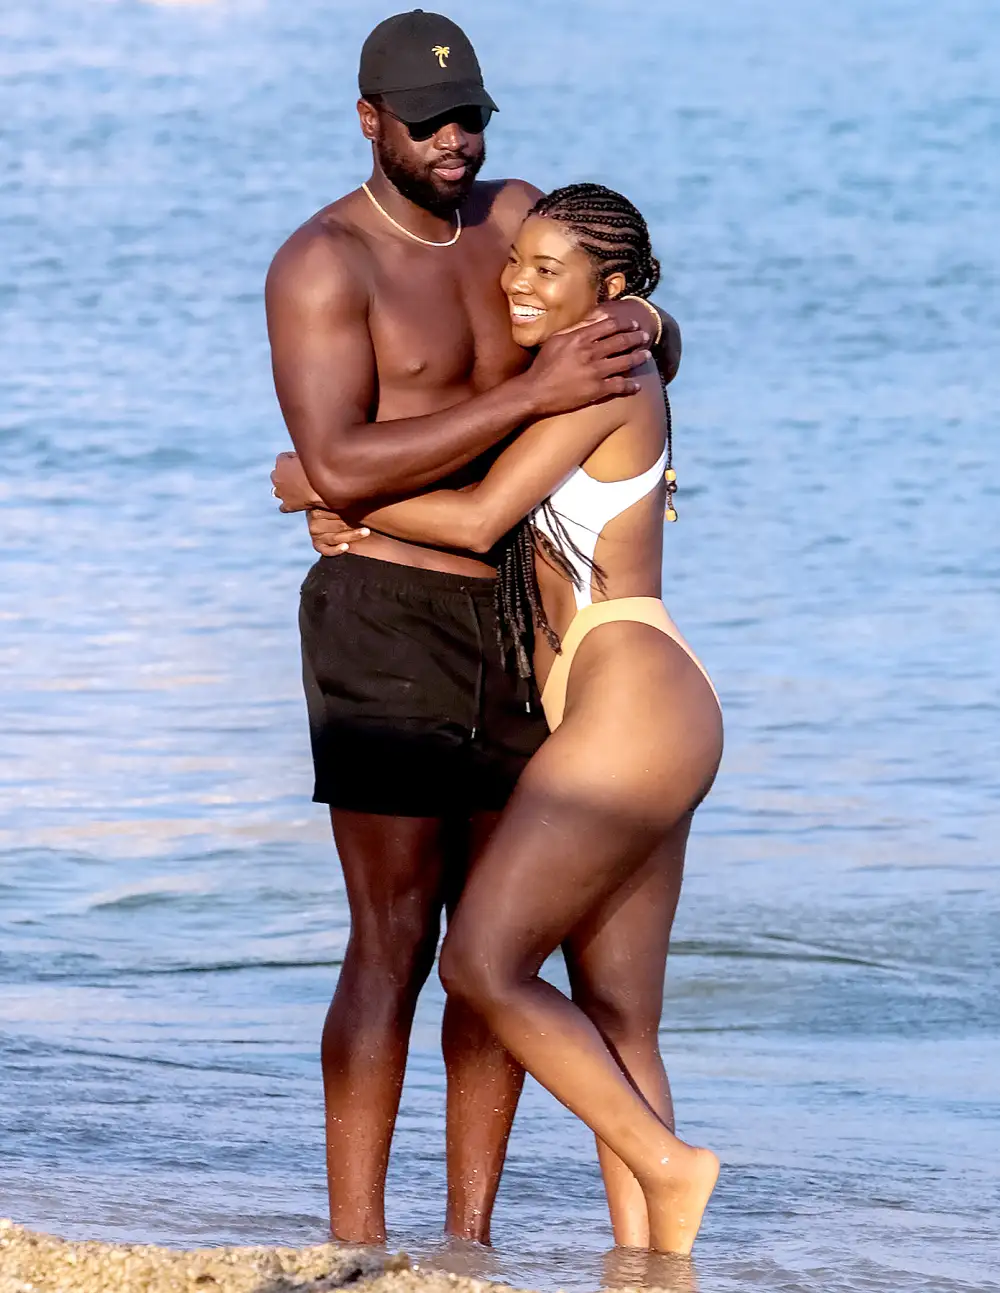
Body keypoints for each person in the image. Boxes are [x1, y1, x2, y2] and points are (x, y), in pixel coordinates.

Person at [266, 10, 680, 1246]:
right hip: (383, 616)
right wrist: (534, 393)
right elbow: (338, 452)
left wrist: (651, 330)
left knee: (494, 946)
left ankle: (468, 1244)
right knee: (392, 937)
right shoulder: (323, 262)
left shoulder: (520, 219)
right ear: (368, 121)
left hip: (519, 616)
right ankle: (354, 1243)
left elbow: (633, 327)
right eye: (431, 123)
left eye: (474, 120)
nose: (457, 142)